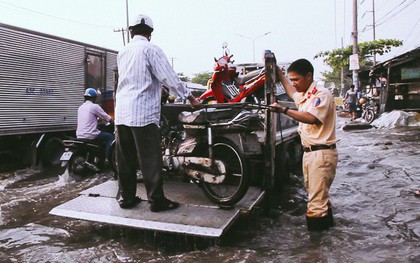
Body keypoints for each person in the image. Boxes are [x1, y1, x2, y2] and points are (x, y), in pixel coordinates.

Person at [114, 14, 201, 211]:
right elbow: (169, 77)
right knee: (150, 158)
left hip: (122, 113)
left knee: (125, 159)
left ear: (131, 31)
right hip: (142, 113)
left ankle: (126, 198)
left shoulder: (123, 52)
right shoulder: (151, 49)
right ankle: (156, 200)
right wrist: (190, 97)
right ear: (150, 34)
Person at [269, 59, 338, 231]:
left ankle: (315, 250)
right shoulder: (306, 95)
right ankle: (329, 239)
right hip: (311, 154)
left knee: (315, 205)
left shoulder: (321, 94)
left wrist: (284, 110)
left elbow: (312, 118)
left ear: (309, 76)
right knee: (319, 198)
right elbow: (292, 92)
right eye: (291, 79)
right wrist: (279, 74)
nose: (294, 83)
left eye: (297, 79)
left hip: (321, 154)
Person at [76, 88, 114, 164]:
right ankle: (107, 159)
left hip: (79, 134)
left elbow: (91, 118)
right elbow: (107, 117)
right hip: (90, 134)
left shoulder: (80, 108)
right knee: (111, 137)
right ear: (94, 97)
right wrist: (114, 122)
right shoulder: (94, 107)